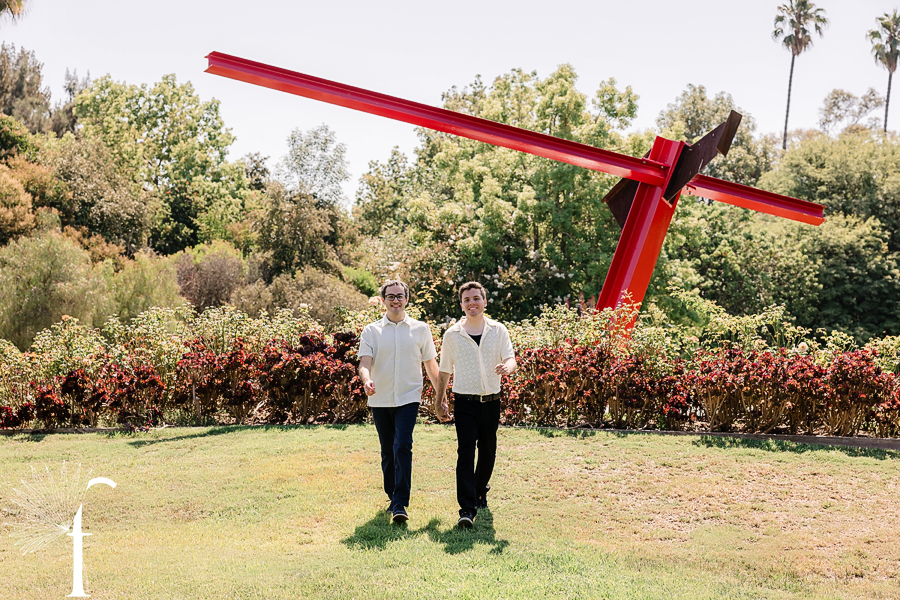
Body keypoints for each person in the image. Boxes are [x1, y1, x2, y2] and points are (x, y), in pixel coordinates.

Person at [435, 281, 516, 528]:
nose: (472, 303)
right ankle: (466, 509)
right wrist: (439, 401)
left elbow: (511, 358)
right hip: (465, 402)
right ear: (462, 305)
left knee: (488, 451)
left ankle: (480, 489)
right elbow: (444, 370)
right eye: (467, 300)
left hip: (491, 401)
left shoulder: (498, 330)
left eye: (476, 298)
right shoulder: (452, 335)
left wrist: (507, 368)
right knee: (466, 453)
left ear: (484, 302)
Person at [358, 280, 439, 524]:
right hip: (380, 398)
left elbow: (431, 365)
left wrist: (442, 396)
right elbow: (364, 363)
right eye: (391, 296)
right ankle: (392, 495)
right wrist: (367, 380)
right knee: (387, 450)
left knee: (402, 445)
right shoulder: (371, 331)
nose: (395, 300)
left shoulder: (421, 329)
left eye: (400, 296)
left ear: (407, 299)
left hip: (408, 397)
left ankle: (400, 503)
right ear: (383, 300)